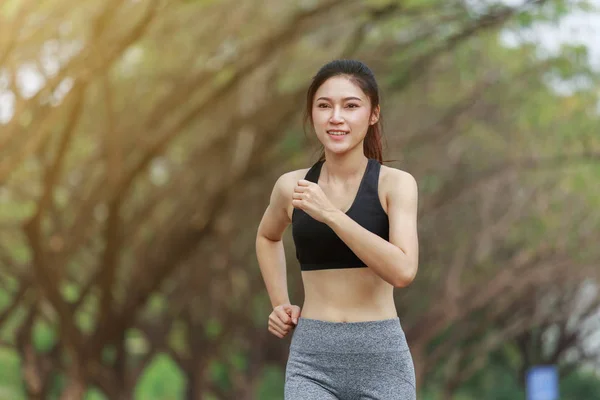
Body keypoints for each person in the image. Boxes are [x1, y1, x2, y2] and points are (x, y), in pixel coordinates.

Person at [255, 59, 419, 400]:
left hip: (382, 361)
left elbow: (403, 271)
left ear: (373, 114)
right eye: (324, 106)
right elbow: (267, 236)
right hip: (311, 361)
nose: (336, 117)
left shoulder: (396, 185)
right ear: (312, 114)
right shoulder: (292, 187)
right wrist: (280, 303)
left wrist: (331, 214)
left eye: (351, 106)